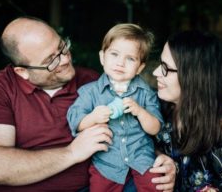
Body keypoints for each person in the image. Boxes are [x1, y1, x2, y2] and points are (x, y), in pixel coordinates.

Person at [0, 16, 176, 191]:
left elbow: (128, 130)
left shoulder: (91, 81)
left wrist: (158, 159)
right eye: (51, 60)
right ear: (23, 72)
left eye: (62, 47)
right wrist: (72, 153)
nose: (65, 60)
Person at [153, 30, 222, 191]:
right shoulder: (164, 103)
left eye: (165, 68)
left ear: (193, 76)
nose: (156, 72)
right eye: (160, 63)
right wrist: (164, 160)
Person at [67, 23, 164, 191]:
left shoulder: (145, 92)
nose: (120, 63)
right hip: (106, 162)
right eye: (114, 54)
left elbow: (155, 128)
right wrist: (93, 117)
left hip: (142, 158)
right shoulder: (91, 92)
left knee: (156, 185)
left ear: (140, 67)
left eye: (130, 59)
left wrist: (140, 112)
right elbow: (74, 120)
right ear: (102, 57)